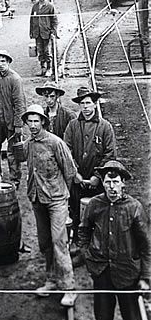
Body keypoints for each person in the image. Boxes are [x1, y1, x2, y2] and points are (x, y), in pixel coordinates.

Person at [79, 161, 150, 320]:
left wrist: (145, 277)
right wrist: (88, 257)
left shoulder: (134, 208)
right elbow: (83, 231)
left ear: (123, 184)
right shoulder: (95, 205)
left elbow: (146, 245)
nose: (111, 186)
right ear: (103, 183)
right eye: (108, 182)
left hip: (128, 275)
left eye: (116, 182)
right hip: (102, 274)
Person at [22, 104, 78, 307]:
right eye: (30, 121)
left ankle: (69, 287)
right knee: (45, 242)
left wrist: (64, 196)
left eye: (37, 121)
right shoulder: (28, 144)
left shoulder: (56, 143)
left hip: (56, 200)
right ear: (26, 123)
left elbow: (70, 171)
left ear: (43, 122)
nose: (34, 125)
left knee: (59, 242)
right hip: (37, 199)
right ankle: (52, 280)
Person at [63, 86, 117, 242]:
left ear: (95, 104)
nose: (85, 107)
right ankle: (78, 244)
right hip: (77, 180)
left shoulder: (105, 126)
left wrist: (97, 176)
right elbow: (66, 151)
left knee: (98, 213)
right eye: (82, 104)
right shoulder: (73, 126)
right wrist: (75, 173)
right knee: (75, 211)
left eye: (88, 103)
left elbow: (110, 154)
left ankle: (97, 246)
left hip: (97, 182)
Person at [0, 51, 27, 186]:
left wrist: (18, 125)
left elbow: (19, 103)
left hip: (11, 121)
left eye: (3, 61)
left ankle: (14, 180)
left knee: (12, 153)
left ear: (8, 62)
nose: (0, 64)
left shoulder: (15, 79)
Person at [29, 0, 58, 77]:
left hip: (46, 33)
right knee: (40, 51)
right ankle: (42, 68)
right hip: (37, 33)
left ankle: (49, 69)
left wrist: (53, 32)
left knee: (47, 51)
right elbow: (32, 20)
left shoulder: (50, 6)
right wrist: (31, 32)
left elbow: (55, 20)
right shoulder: (35, 7)